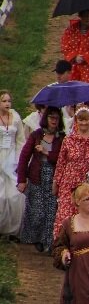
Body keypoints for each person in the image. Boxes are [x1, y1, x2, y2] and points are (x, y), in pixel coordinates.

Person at [17, 107, 65, 251]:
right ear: (46, 118)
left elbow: (61, 159)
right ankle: (34, 238)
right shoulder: (36, 135)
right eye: (51, 117)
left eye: (56, 118)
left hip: (53, 178)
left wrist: (46, 152)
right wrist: (21, 179)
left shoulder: (62, 138)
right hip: (36, 176)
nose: (53, 121)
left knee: (51, 211)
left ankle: (48, 242)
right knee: (37, 211)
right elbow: (24, 157)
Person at [52, 106, 89, 237]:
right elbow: (61, 163)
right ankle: (61, 245)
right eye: (81, 120)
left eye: (86, 120)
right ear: (76, 121)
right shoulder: (68, 140)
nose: (84, 123)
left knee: (83, 214)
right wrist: (56, 182)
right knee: (65, 215)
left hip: (87, 184)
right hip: (68, 184)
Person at [0, 90, 25, 237]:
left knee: (15, 195)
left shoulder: (15, 117)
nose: (7, 104)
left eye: (9, 101)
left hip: (11, 157)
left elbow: (20, 139)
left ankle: (13, 229)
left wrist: (18, 159)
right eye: (4, 101)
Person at [60, 9, 89, 83]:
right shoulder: (70, 30)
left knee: (86, 90)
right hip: (72, 66)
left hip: (87, 67)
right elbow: (65, 45)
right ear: (80, 16)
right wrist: (74, 57)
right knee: (71, 89)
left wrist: (84, 58)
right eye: (85, 16)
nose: (88, 18)